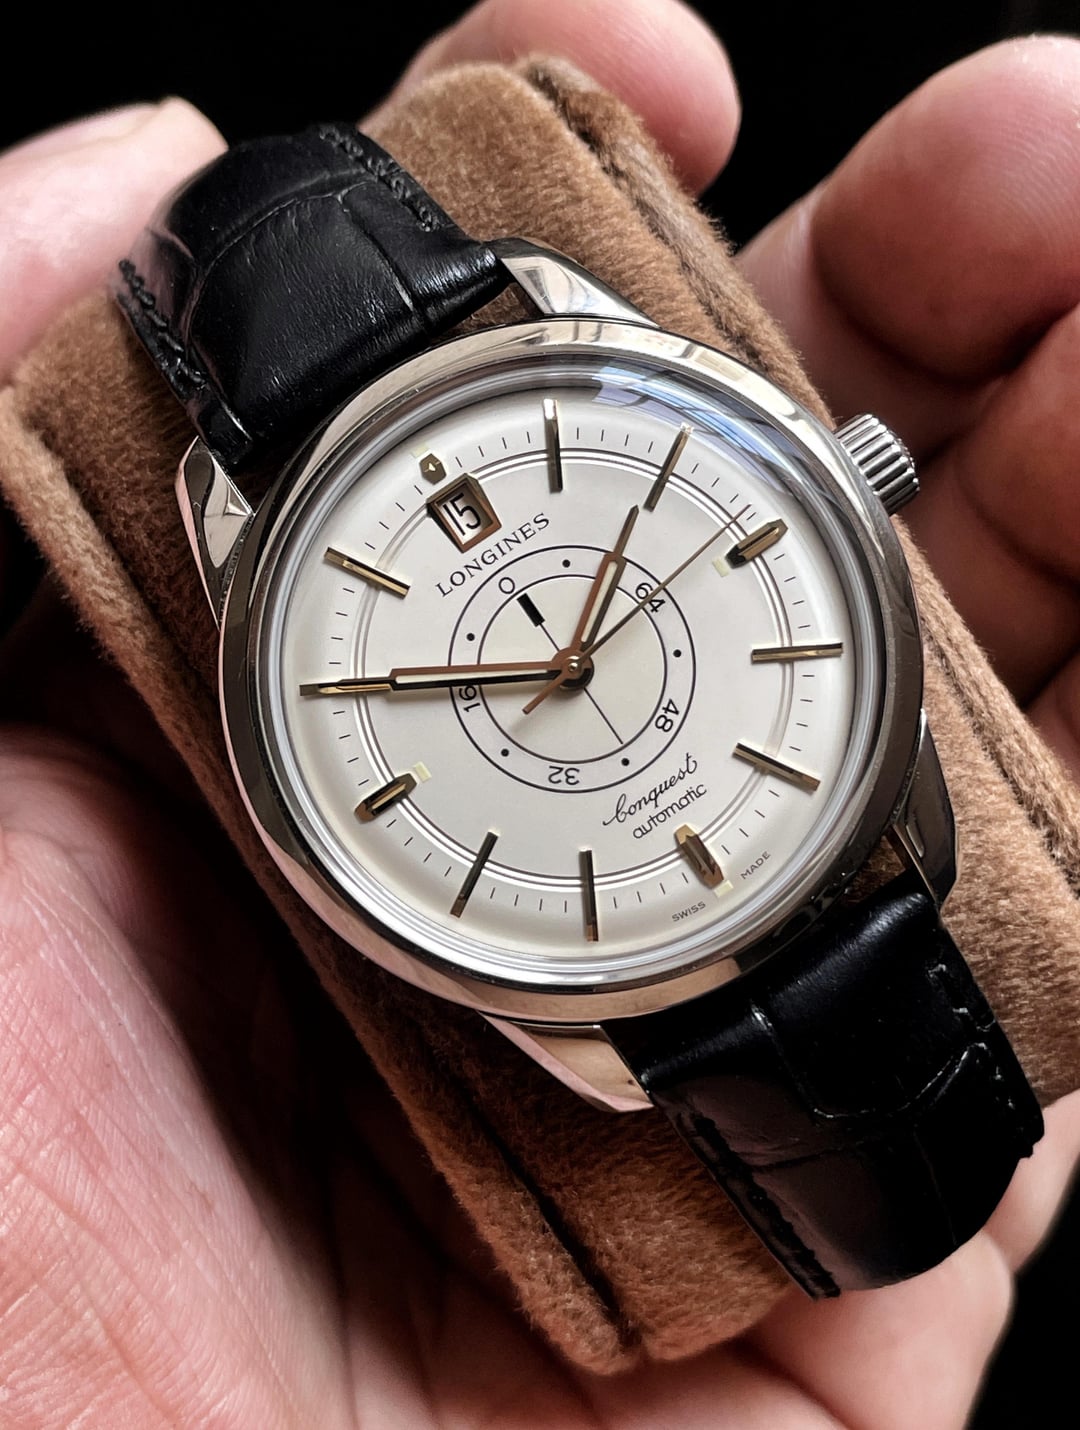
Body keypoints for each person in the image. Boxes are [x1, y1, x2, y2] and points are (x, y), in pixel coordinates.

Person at [1, 1, 1078, 1422]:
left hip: (807, 858)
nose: (564, 672)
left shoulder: (550, 347)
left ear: (848, 475)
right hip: (627, 960)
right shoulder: (579, 1028)